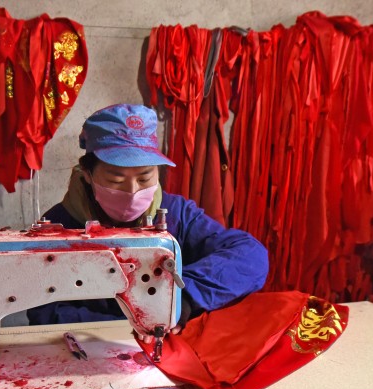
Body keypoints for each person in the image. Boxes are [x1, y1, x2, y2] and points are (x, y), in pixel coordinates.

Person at [26, 104, 268, 333]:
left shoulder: (176, 213)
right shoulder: (58, 226)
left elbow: (251, 257)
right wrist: (131, 323)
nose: (132, 191)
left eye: (144, 178)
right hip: (91, 344)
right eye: (116, 180)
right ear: (87, 175)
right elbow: (43, 310)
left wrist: (180, 297)